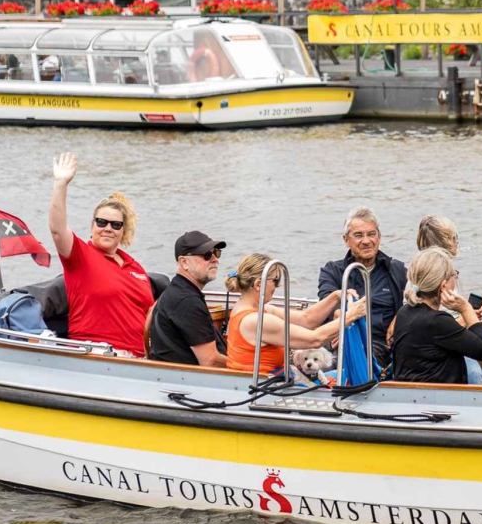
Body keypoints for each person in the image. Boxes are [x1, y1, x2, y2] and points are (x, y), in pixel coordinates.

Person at [47, 152, 154, 357]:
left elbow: (149, 312)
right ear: (93, 224)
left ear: (123, 231)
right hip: (99, 354)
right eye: (101, 222)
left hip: (141, 356)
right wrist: (61, 183)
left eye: (115, 224)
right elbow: (57, 230)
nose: (107, 228)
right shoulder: (80, 255)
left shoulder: (136, 267)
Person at [224, 253, 362, 375]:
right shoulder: (256, 321)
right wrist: (351, 316)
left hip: (269, 378)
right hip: (262, 386)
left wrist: (335, 296)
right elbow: (314, 339)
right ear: (259, 284)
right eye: (275, 281)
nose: (277, 286)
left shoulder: (250, 309)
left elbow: (306, 319)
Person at [388, 247, 482, 384]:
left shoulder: (404, 312)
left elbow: (438, 335)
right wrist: (466, 309)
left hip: (412, 397)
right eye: (454, 274)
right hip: (441, 401)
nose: (455, 278)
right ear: (444, 286)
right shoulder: (437, 321)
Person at [318, 206, 408, 370]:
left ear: (379, 237)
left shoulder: (397, 270)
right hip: (340, 336)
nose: (366, 241)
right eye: (358, 235)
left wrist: (400, 316)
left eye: (371, 234)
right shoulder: (332, 271)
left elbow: (419, 297)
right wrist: (345, 325)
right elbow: (327, 304)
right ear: (346, 240)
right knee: (314, 361)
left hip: (378, 343)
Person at [147, 231, 228, 367]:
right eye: (207, 255)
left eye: (216, 253)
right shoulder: (187, 301)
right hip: (189, 382)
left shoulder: (177, 290)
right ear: (184, 262)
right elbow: (210, 361)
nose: (215, 259)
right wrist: (250, 366)